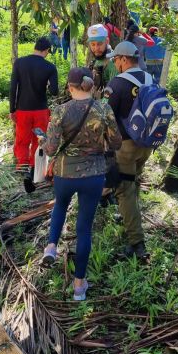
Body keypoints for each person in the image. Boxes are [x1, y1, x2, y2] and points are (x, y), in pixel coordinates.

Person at [41, 67, 122, 301]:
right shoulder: (103, 108)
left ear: (70, 87)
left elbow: (51, 149)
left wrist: (43, 141)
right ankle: (79, 286)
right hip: (94, 175)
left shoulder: (60, 111)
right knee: (84, 228)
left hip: (64, 173)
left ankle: (51, 247)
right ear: (92, 86)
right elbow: (116, 143)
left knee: (60, 206)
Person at [105, 41, 154, 259]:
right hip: (147, 144)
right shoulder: (150, 78)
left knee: (124, 191)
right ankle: (128, 216)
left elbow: (105, 116)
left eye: (116, 60)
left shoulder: (117, 83)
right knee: (134, 182)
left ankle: (136, 243)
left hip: (125, 147)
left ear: (124, 59)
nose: (115, 64)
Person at [9, 36, 58, 192]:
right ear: (47, 50)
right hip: (40, 112)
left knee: (22, 140)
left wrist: (12, 109)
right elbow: (54, 91)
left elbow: (13, 88)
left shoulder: (19, 63)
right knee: (39, 140)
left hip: (23, 111)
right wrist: (48, 85)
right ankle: (34, 171)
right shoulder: (50, 67)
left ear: (35, 47)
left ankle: (23, 168)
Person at [87, 24, 118, 98]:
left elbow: (112, 94)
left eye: (100, 44)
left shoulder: (113, 63)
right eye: (93, 44)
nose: (96, 48)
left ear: (107, 41)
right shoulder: (97, 59)